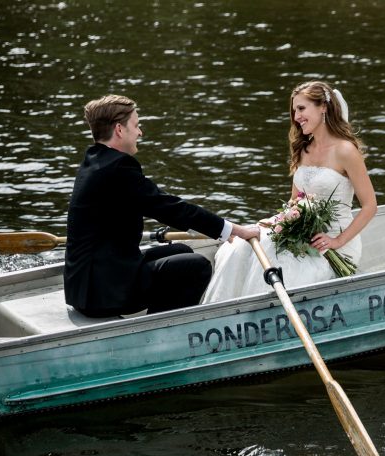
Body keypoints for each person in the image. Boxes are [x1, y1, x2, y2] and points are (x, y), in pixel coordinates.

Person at [64, 94, 259, 317]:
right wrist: (234, 230)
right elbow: (170, 208)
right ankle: (157, 335)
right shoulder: (118, 168)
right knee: (196, 267)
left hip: (89, 283)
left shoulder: (94, 160)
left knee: (181, 250)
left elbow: (162, 205)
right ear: (119, 129)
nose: (140, 132)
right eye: (136, 126)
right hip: (100, 294)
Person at [201, 81, 377, 304]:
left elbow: (370, 205)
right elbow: (296, 201)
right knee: (241, 245)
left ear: (323, 107)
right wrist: (279, 223)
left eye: (302, 109)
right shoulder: (304, 149)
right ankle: (225, 312)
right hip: (301, 236)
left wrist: (337, 241)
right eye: (294, 110)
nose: (296, 116)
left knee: (279, 263)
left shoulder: (346, 151)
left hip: (331, 242)